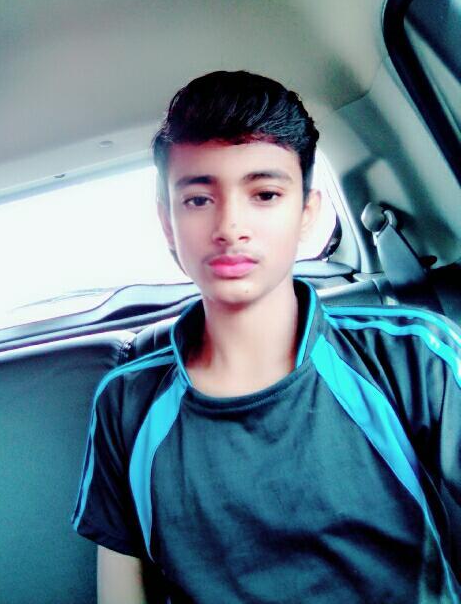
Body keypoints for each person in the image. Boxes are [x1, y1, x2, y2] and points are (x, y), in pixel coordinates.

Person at [72, 70, 461, 603]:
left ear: (306, 214)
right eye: (198, 200)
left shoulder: (414, 356)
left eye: (265, 194)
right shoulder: (125, 403)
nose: (230, 227)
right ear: (167, 223)